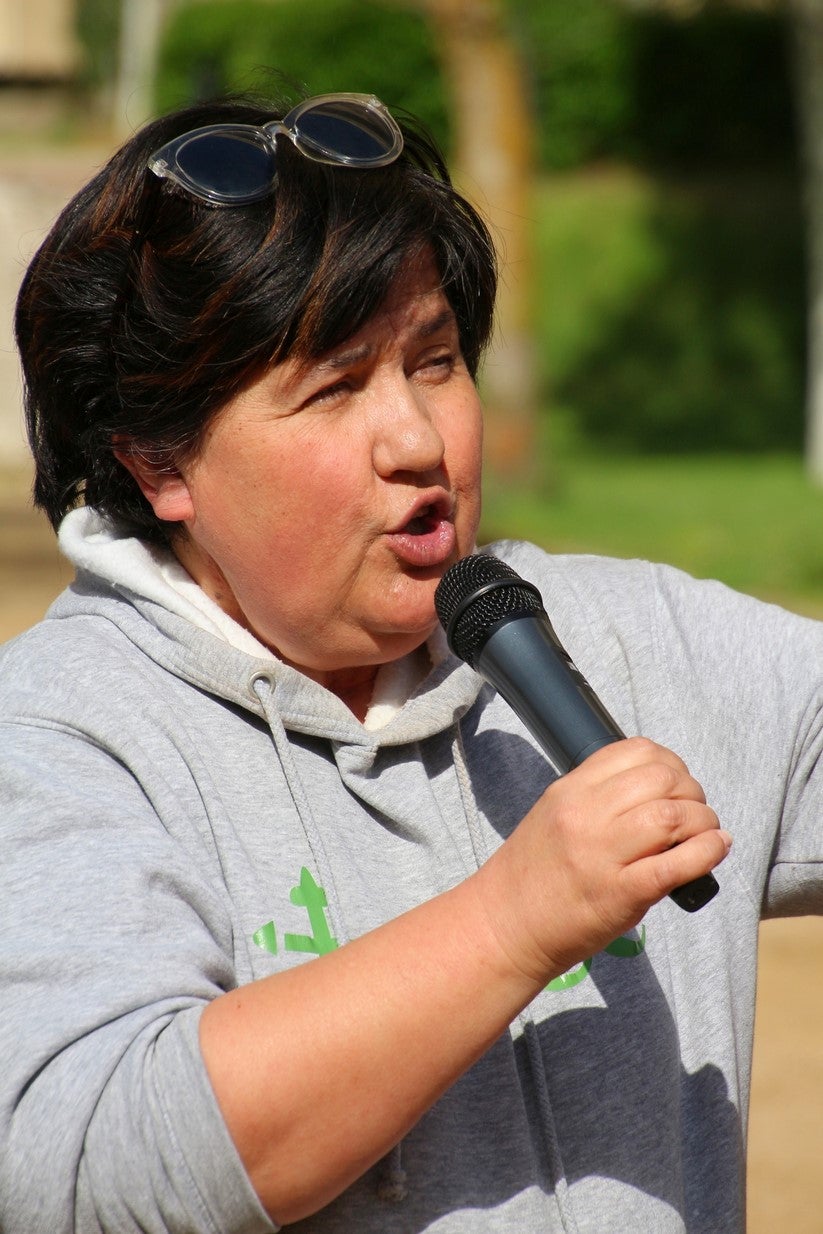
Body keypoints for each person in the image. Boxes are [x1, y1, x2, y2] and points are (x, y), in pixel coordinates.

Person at [0, 85, 819, 1234]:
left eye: (432, 361)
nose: (418, 441)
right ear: (158, 464)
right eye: (333, 388)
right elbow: (77, 1167)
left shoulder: (637, 640)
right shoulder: (62, 738)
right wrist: (511, 922)